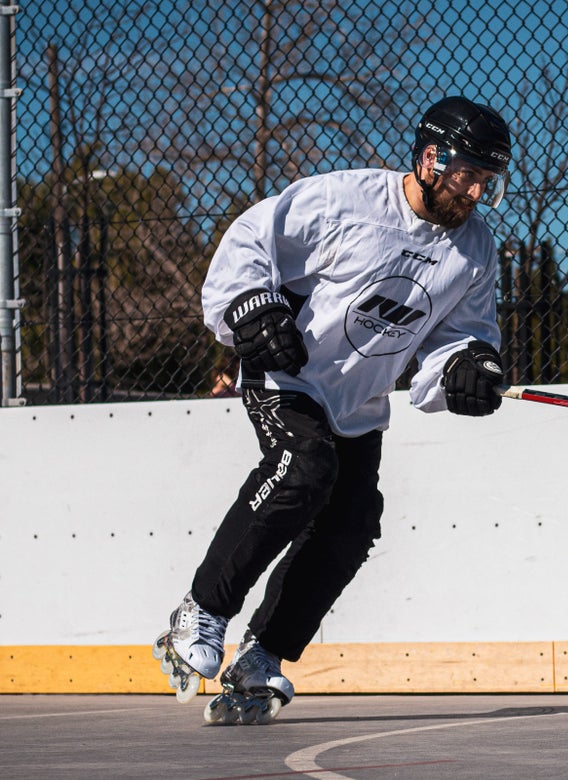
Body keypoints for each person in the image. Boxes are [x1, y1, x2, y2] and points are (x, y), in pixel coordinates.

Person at [153, 95, 512, 723]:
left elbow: (460, 335)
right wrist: (250, 308)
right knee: (303, 468)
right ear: (432, 157)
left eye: (487, 179)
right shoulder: (347, 201)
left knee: (352, 523)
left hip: (360, 400)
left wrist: (467, 366)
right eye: (468, 174)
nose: (477, 191)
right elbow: (249, 238)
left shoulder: (475, 249)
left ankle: (262, 654)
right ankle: (202, 609)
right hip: (289, 374)